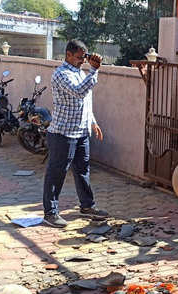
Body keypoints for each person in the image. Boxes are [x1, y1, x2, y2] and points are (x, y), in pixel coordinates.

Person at [42, 39, 106, 228]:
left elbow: (85, 101)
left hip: (81, 132)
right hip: (63, 134)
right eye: (78, 58)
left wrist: (93, 122)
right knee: (57, 173)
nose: (81, 61)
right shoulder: (60, 75)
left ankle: (87, 206)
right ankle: (50, 213)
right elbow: (78, 92)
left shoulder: (80, 73)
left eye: (83, 58)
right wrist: (94, 70)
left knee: (83, 171)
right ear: (68, 55)